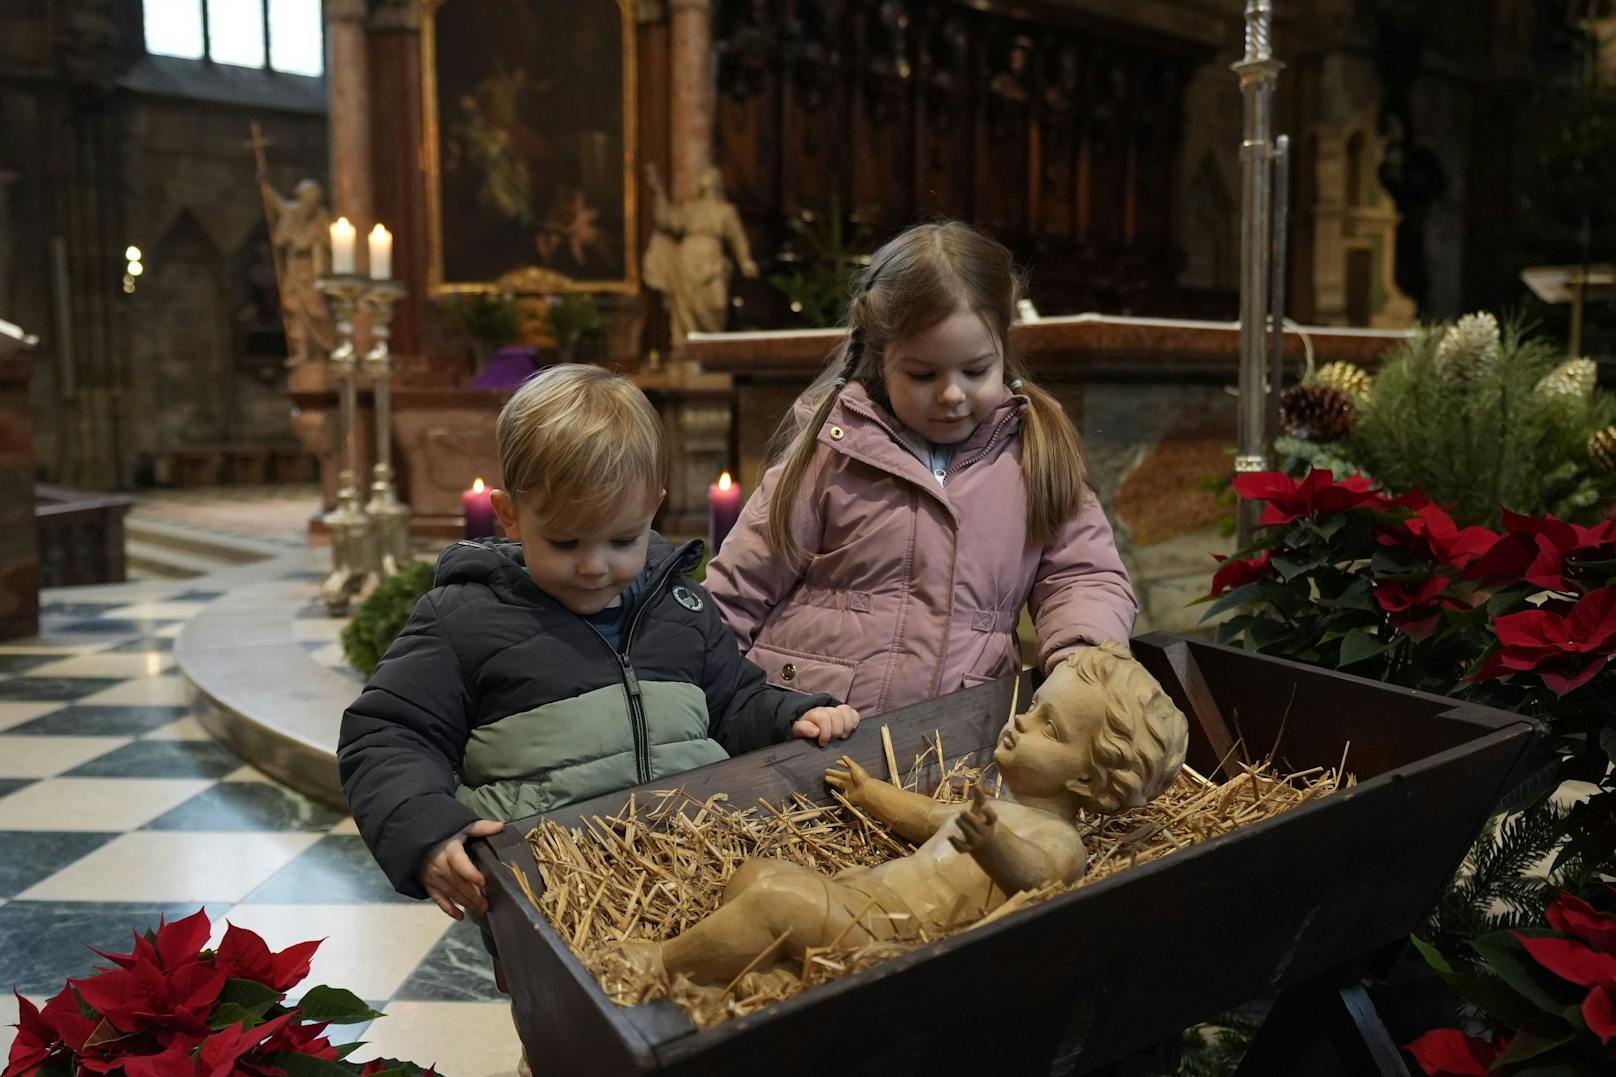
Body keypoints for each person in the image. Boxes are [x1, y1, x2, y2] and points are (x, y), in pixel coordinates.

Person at [338, 364, 861, 928]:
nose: (593, 566)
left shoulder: (681, 610)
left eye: (622, 539)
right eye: (564, 542)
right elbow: (388, 733)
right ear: (510, 515)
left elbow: (733, 707)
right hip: (555, 893)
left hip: (698, 870)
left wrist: (793, 716)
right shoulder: (463, 621)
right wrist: (427, 828)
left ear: (653, 508)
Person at [706, 221, 1137, 717]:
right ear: (880, 358)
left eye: (976, 371)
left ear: (1004, 350)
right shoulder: (833, 448)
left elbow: (1084, 577)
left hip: (959, 738)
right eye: (922, 374)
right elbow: (737, 590)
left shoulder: (1040, 451)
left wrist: (1081, 665)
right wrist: (723, 706)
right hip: (811, 729)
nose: (952, 394)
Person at [618, 642, 1188, 984]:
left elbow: (1038, 880)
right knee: (757, 875)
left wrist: (991, 841)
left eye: (1050, 729)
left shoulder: (1059, 841)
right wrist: (870, 793)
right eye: (1036, 708)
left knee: (776, 901)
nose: (1021, 722)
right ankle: (761, 976)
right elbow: (926, 815)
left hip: (896, 942)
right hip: (861, 897)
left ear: (1086, 777)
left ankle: (660, 967)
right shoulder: (991, 808)